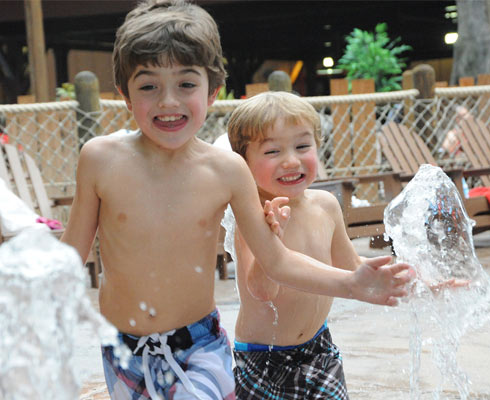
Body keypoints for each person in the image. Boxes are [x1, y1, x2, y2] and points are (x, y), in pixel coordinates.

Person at [60, 1, 413, 398]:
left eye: (186, 84)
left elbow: (276, 260)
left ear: (212, 92)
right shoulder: (100, 160)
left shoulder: (226, 170)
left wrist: (351, 282)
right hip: (122, 349)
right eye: (148, 86)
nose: (169, 101)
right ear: (125, 94)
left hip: (199, 344)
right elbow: (70, 256)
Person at [226, 91, 403, 399]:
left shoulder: (326, 205)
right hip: (264, 359)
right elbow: (263, 291)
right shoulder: (253, 216)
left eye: (303, 146)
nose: (291, 160)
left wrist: (413, 279)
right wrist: (274, 237)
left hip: (319, 350)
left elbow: (352, 266)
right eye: (272, 152)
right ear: (244, 162)